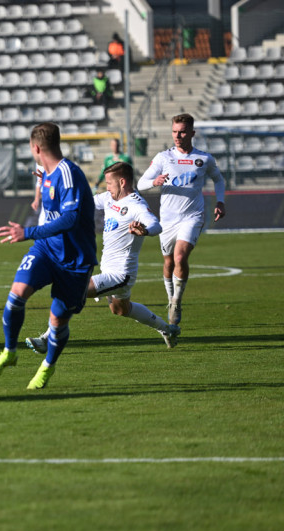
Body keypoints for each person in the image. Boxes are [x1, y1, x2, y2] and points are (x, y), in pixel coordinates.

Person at [0, 122, 97, 390]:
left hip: (75, 260)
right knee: (17, 292)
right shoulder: (47, 173)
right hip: (47, 249)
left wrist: (29, 231)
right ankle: (10, 351)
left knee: (57, 319)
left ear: (35, 147)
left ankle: (47, 366)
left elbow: (70, 218)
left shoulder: (68, 174)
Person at [26, 161, 181, 353]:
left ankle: (47, 339)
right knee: (120, 309)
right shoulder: (109, 198)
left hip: (121, 274)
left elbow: (156, 225)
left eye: (109, 183)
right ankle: (168, 330)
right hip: (108, 269)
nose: (106, 188)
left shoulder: (135, 205)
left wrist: (145, 231)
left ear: (122, 182)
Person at [137, 113, 226, 326]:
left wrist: (220, 202)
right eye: (175, 131)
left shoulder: (204, 159)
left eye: (182, 131)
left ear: (192, 133)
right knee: (168, 262)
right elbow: (141, 184)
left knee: (179, 258)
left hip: (192, 216)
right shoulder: (163, 157)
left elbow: (219, 180)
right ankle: (170, 298)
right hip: (167, 219)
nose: (178, 135)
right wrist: (154, 181)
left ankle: (177, 301)